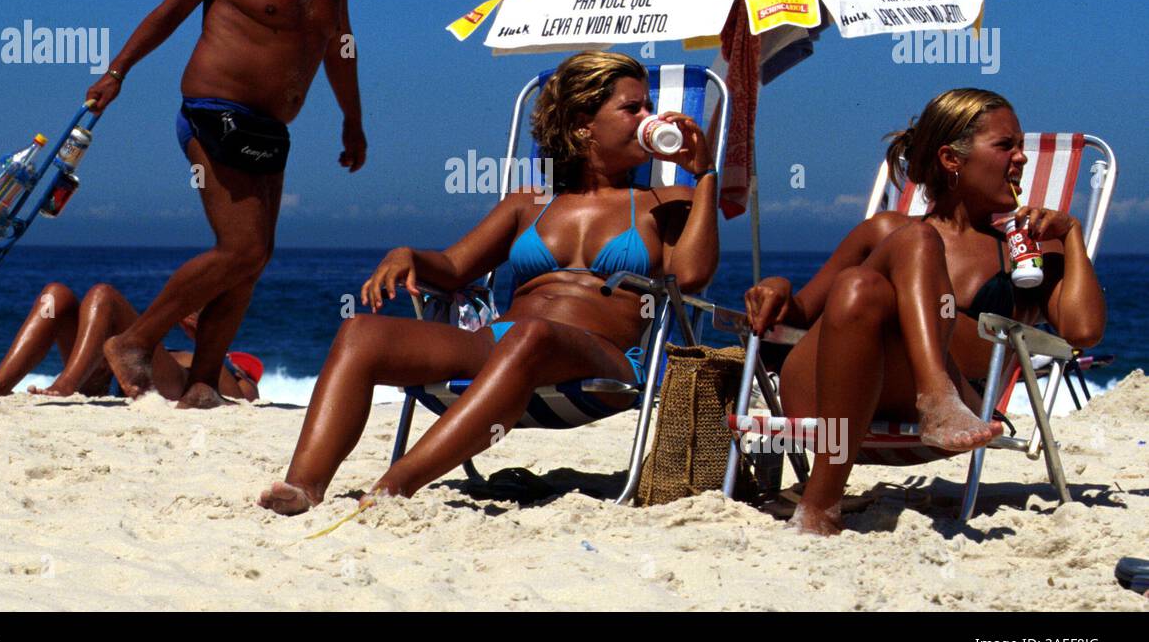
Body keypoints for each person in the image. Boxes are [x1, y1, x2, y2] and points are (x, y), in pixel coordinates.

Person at [258, 51, 720, 515]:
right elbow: (456, 266)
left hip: (604, 358)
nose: (650, 118)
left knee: (530, 335)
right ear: (584, 124)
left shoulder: (666, 200)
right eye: (633, 108)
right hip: (505, 345)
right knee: (360, 332)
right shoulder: (530, 203)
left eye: (649, 107)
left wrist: (703, 175)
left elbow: (692, 276)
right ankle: (304, 487)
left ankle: (395, 487)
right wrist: (409, 255)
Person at [743, 88, 1106, 535]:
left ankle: (823, 499)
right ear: (953, 160)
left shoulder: (1026, 251)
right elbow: (799, 316)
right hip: (825, 386)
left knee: (869, 277)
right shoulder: (886, 230)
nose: (1021, 160)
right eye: (1005, 146)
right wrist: (777, 289)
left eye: (1021, 147)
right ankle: (930, 401)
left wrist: (1071, 234)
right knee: (888, 260)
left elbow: (1083, 332)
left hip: (956, 397)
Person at [83, 0, 368, 401]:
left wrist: (352, 120)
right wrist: (117, 71)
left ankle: (202, 382)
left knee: (252, 261)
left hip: (272, 127)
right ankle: (135, 341)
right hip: (216, 111)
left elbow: (340, 43)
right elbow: (172, 9)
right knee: (241, 248)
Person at [0, 283, 262, 407]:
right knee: (56, 296)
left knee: (104, 296)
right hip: (101, 380)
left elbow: (238, 404)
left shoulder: (230, 367)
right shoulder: (170, 350)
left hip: (173, 386)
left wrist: (211, 342)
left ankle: (65, 385)